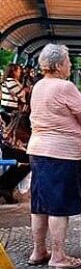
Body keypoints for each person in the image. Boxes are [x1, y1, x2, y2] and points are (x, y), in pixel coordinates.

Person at [27, 44, 81, 268]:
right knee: (58, 206)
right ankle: (58, 256)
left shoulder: (38, 86)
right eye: (68, 61)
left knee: (40, 204)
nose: (70, 64)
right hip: (61, 155)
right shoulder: (65, 87)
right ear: (59, 64)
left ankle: (38, 251)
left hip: (37, 151)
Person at [0, 63, 30, 204]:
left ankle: (6, 187)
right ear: (13, 71)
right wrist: (25, 90)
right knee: (26, 161)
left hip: (10, 131)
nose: (21, 72)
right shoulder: (11, 82)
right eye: (19, 70)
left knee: (20, 158)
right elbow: (22, 95)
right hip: (11, 118)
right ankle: (4, 186)